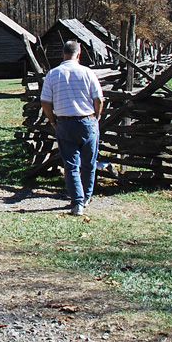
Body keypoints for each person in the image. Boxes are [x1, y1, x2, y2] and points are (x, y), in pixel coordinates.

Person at [40, 40, 105, 216]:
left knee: (71, 165)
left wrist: (53, 121)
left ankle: (77, 202)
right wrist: (96, 117)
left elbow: (45, 101)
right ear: (79, 53)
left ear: (63, 54)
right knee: (89, 163)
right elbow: (98, 98)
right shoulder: (87, 72)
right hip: (87, 121)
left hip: (64, 122)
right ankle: (86, 198)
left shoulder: (53, 74)